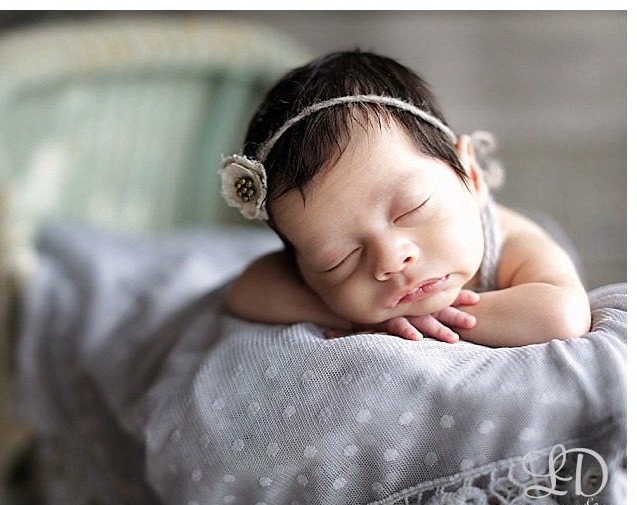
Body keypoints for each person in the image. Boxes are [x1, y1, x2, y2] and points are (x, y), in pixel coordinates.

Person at [219, 50, 590, 348]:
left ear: (472, 175)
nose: (391, 261)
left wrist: (429, 319)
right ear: (304, 268)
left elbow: (563, 315)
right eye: (339, 259)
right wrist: (361, 315)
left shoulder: (511, 241)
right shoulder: (312, 272)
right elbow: (246, 291)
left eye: (412, 209)